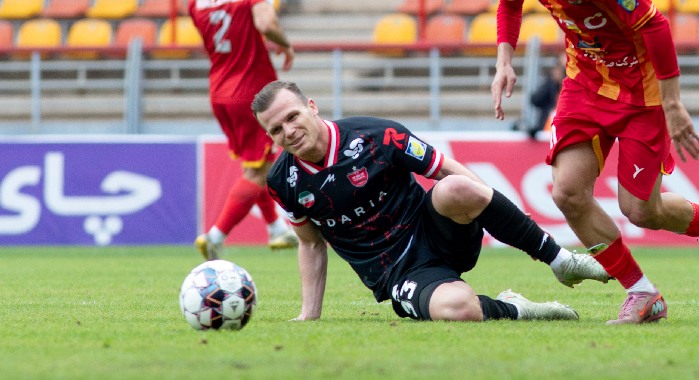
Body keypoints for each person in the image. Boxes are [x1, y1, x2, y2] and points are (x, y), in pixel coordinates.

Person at [488, 0, 699, 325]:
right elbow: (510, 0)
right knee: (567, 192)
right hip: (584, 80)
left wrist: (673, 104)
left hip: (640, 87)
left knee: (640, 210)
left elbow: (654, 26)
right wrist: (505, 60)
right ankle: (642, 293)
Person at [253, 80, 612, 322]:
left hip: (438, 231)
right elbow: (310, 244)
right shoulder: (282, 181)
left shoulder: (377, 135)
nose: (289, 131)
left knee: (455, 186)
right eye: (276, 130)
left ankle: (561, 260)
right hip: (398, 273)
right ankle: (518, 308)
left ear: (312, 107)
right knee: (458, 309)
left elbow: (445, 168)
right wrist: (309, 315)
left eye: (292, 117)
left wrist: (492, 208)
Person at [190, 0, 299, 260]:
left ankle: (275, 229)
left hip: (219, 91)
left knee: (256, 163)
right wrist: (286, 44)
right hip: (252, 90)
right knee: (259, 170)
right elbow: (265, 23)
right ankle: (215, 236)